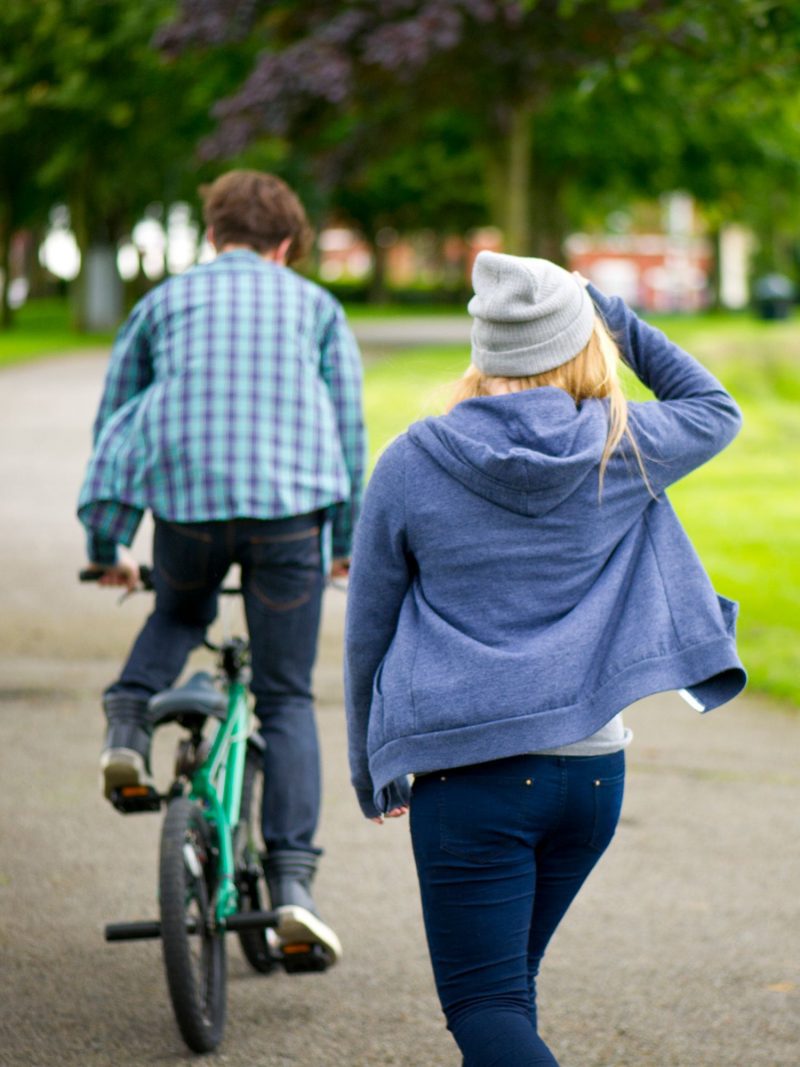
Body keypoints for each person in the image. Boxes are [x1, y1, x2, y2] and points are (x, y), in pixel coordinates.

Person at [344, 251, 746, 1064]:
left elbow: (368, 628)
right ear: (584, 339)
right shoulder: (624, 445)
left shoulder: (412, 461)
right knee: (507, 999)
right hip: (592, 778)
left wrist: (369, 763)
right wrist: (600, 303)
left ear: (483, 348)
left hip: (471, 779)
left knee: (485, 1008)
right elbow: (714, 405)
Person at [78, 169, 367, 965]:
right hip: (287, 523)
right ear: (284, 247)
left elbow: (118, 419)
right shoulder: (315, 306)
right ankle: (296, 890)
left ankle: (128, 725)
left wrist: (108, 545)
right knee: (284, 696)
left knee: (177, 612)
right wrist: (345, 540)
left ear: (212, 236)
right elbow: (348, 427)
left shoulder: (163, 301)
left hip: (187, 513)